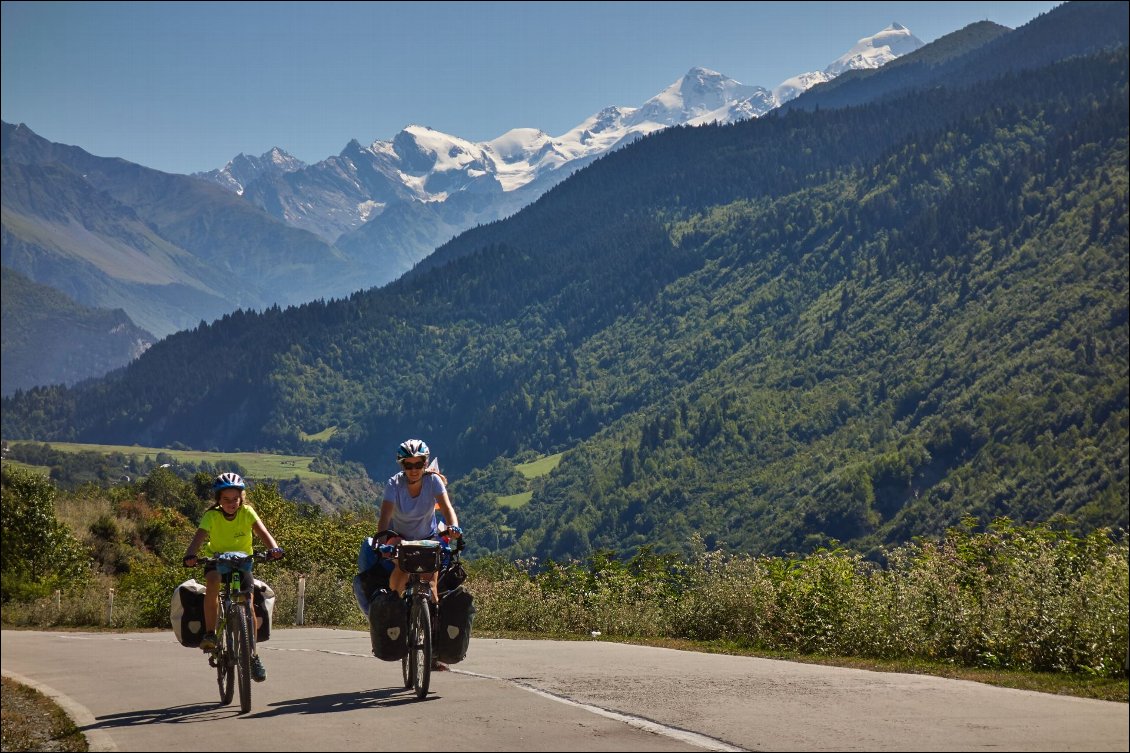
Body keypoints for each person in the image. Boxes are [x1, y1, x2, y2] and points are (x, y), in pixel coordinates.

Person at [182, 472, 283, 682]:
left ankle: (253, 655)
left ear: (241, 498)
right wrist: (190, 554)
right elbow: (198, 537)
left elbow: (263, 533)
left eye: (235, 499)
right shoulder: (211, 516)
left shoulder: (247, 513)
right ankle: (211, 633)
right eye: (226, 499)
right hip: (216, 562)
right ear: (218, 499)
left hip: (242, 563)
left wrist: (273, 549)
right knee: (212, 582)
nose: (231, 503)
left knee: (248, 601)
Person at [376, 439, 462, 605]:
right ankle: (395, 605)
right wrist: (381, 543)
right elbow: (385, 516)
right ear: (402, 466)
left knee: (432, 588)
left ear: (425, 464)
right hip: (399, 538)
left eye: (418, 464)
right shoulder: (394, 484)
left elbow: (447, 508)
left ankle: (432, 625)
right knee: (401, 569)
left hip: (428, 539)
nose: (414, 470)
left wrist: (454, 527)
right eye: (409, 465)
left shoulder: (433, 481)